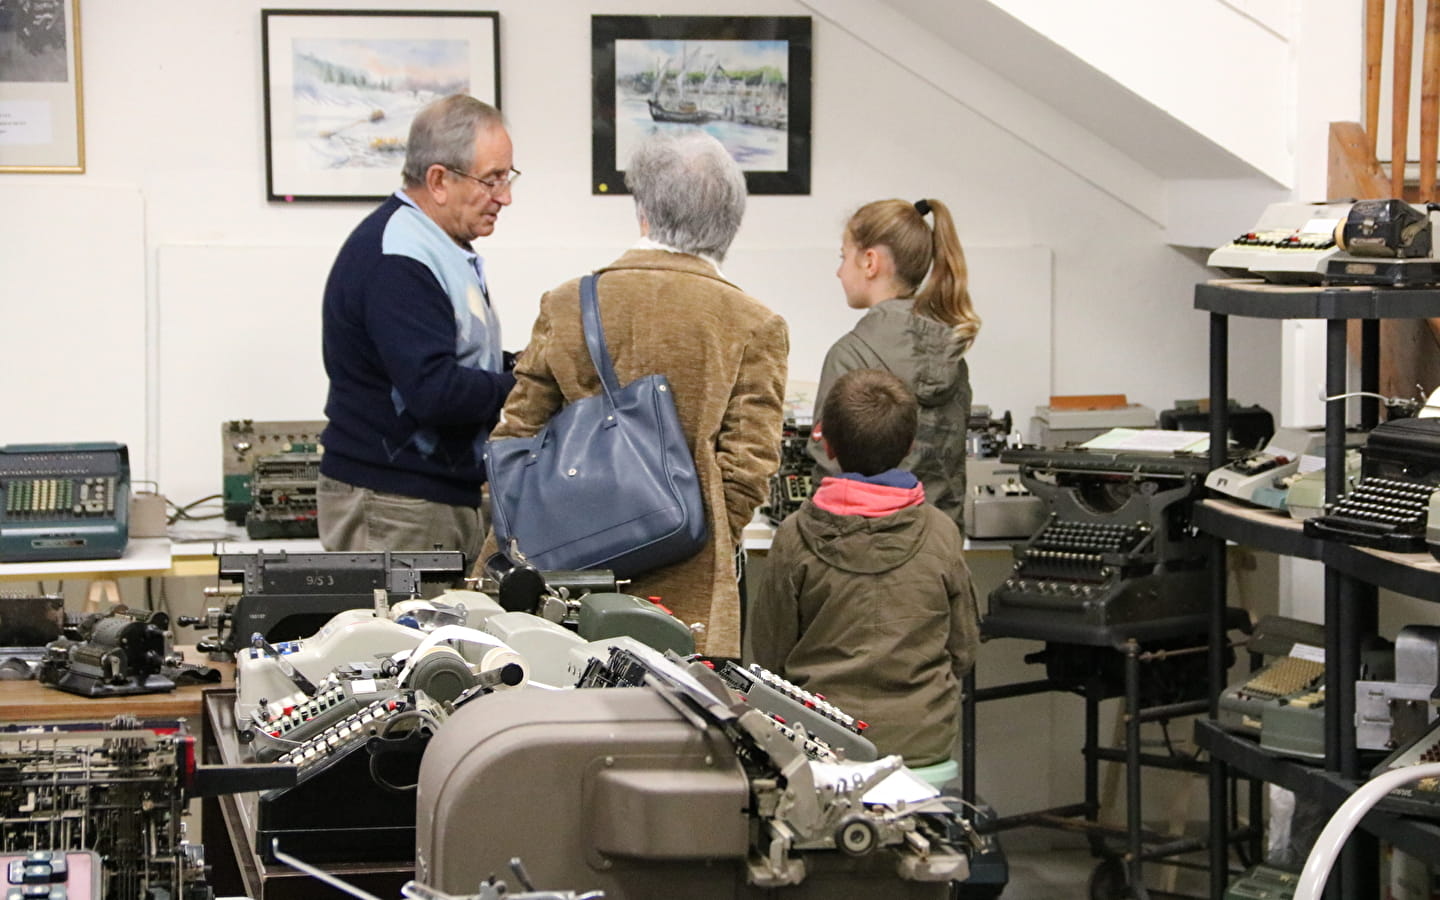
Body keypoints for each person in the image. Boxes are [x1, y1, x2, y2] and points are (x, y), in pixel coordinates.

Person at [481, 129, 788, 658]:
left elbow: (514, 439)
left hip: (561, 586)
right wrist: (696, 535)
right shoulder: (753, 324)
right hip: (685, 596)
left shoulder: (567, 304)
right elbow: (750, 467)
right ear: (730, 223)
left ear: (642, 210)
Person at [317, 94, 520, 561]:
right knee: (399, 637)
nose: (505, 197)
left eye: (507, 179)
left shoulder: (437, 246)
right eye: (492, 180)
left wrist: (512, 365)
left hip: (426, 498)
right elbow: (435, 391)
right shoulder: (398, 258)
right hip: (395, 505)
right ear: (438, 180)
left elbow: (452, 358)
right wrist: (524, 384)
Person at [749, 368, 980, 766]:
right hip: (923, 738)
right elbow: (964, 649)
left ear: (830, 446)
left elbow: (771, 655)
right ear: (909, 446)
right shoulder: (941, 532)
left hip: (823, 738)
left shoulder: (793, 536)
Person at [808, 198, 981, 534]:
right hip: (936, 548)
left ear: (870, 262)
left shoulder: (849, 356)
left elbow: (828, 471)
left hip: (863, 552)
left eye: (844, 257)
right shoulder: (953, 356)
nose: (839, 271)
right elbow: (951, 469)